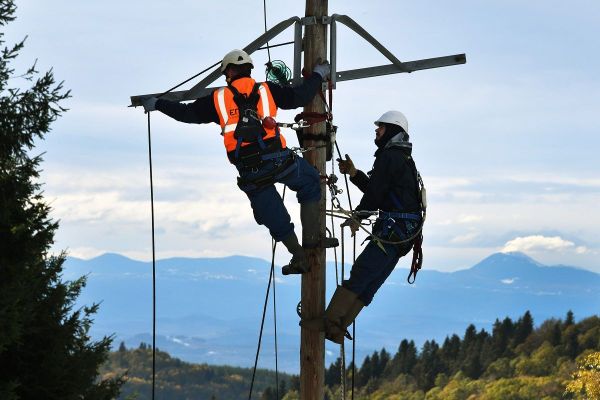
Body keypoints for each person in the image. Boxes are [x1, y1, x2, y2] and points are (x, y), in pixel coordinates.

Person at [141, 49, 337, 274]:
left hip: (251, 170)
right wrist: (318, 75)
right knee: (309, 181)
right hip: (279, 161)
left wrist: (157, 104)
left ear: (229, 72)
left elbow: (186, 114)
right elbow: (300, 97)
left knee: (272, 214)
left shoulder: (218, 98)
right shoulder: (267, 90)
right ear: (249, 70)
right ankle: (313, 240)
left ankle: (299, 255)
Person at [304, 110, 424, 343]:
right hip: (404, 234)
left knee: (362, 273)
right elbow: (380, 191)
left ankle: (330, 322)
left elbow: (375, 196)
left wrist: (358, 217)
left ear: (392, 130)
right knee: (371, 281)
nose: (377, 131)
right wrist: (355, 173)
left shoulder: (390, 157)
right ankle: (338, 327)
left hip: (393, 230)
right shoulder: (402, 158)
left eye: (381, 127)